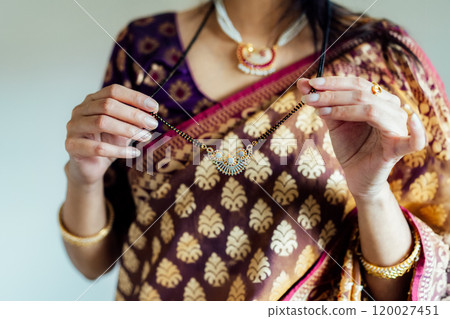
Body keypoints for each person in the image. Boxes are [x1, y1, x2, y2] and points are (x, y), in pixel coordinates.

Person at [61, 0, 450, 301]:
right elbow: (94, 263)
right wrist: (84, 177)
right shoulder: (145, 46)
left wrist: (372, 194)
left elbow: (411, 296)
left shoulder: (380, 58)